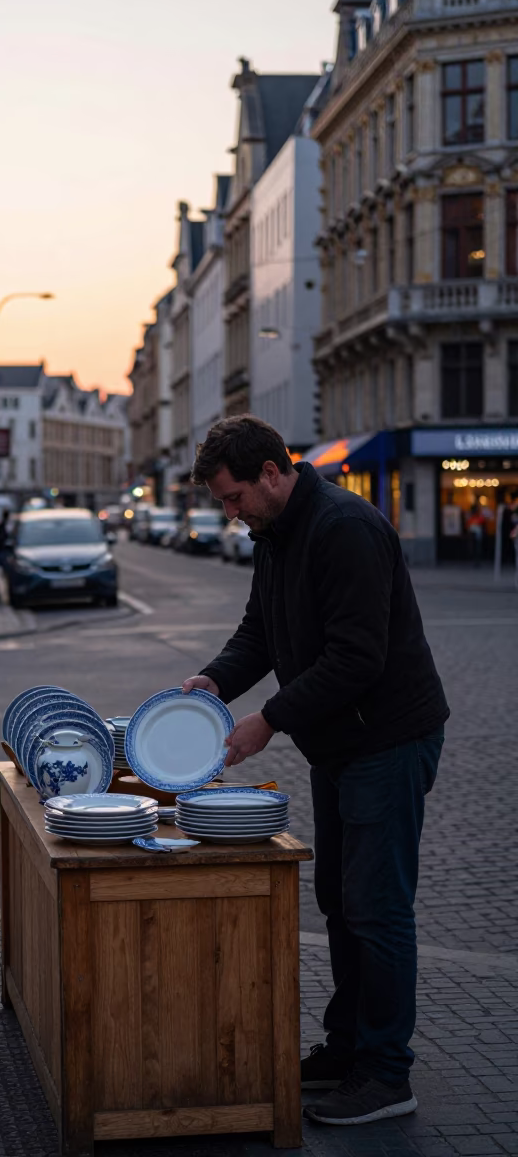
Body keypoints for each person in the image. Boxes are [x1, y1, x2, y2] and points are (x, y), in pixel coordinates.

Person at [183, 415, 448, 1127]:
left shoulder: (344, 528)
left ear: (272, 472)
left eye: (235, 497)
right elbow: (260, 633)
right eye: (224, 504)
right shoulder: (274, 536)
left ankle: (389, 1074)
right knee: (339, 899)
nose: (231, 514)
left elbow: (356, 658)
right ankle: (348, 1046)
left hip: (388, 740)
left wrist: (269, 719)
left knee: (377, 907)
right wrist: (213, 682)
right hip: (342, 745)